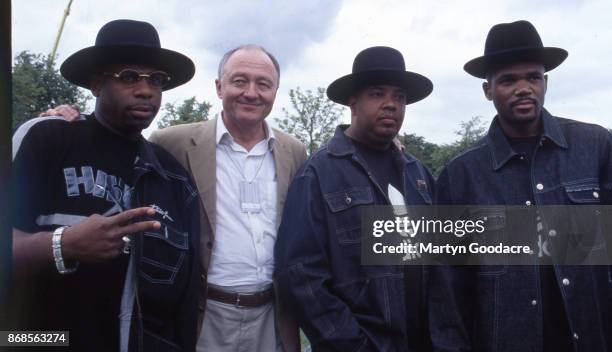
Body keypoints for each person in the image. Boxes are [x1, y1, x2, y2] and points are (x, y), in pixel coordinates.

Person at [9, 19, 200, 352]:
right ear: (96, 84)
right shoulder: (48, 138)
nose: (146, 90)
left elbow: (183, 297)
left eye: (156, 80)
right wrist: (63, 244)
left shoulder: (172, 176)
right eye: (128, 77)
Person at [429, 20, 612, 351]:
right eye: (508, 80)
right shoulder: (460, 176)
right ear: (488, 90)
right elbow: (447, 293)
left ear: (546, 83)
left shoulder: (596, 147)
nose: (523, 88)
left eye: (533, 77)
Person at [274, 46, 435, 351]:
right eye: (377, 94)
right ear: (353, 101)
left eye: (399, 97)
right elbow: (299, 276)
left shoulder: (420, 175)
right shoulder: (318, 174)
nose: (390, 105)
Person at [149, 44, 306, 351]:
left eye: (263, 84)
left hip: (271, 315)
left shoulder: (294, 152)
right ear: (219, 87)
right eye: (239, 81)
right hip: (204, 315)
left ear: (275, 91)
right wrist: (66, 120)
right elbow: (119, 147)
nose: (251, 92)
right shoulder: (172, 144)